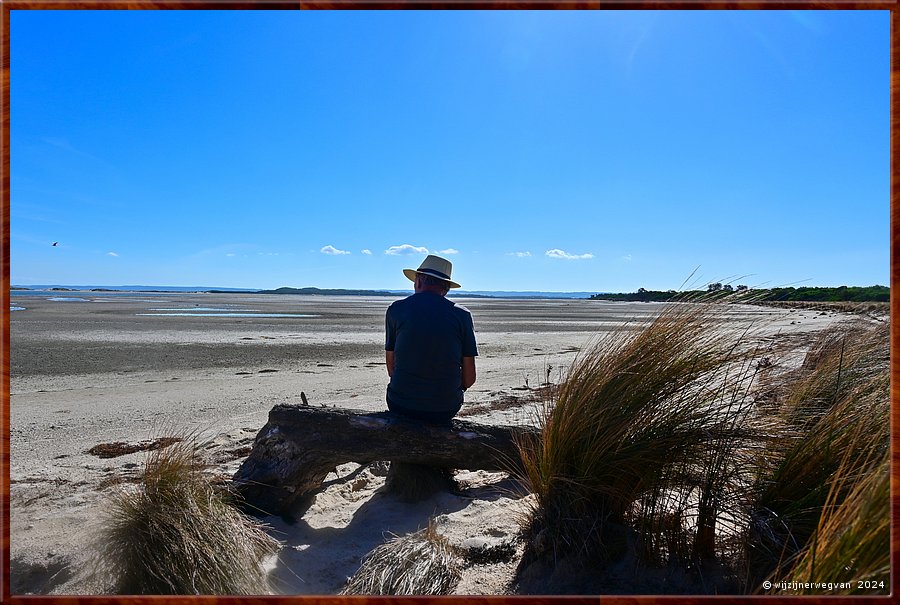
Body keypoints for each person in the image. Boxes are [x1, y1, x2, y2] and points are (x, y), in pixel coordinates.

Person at [384, 254, 478, 424]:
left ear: (419, 281)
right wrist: (455, 390)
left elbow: (391, 366)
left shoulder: (396, 309)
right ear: (446, 288)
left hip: (400, 403)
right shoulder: (462, 315)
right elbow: (469, 375)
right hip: (445, 407)